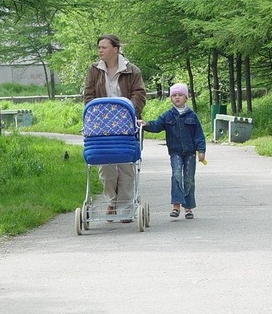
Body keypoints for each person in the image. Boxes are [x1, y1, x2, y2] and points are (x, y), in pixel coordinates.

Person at [83, 34, 146, 218]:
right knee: (105, 166)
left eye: (104, 47)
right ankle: (112, 200)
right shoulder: (94, 70)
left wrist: (129, 111)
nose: (100, 50)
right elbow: (88, 95)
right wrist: (97, 115)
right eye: (99, 47)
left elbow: (139, 94)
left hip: (125, 124)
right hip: (101, 126)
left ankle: (126, 208)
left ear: (115, 49)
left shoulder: (132, 71)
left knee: (126, 166)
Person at [138, 83, 206, 220]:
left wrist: (201, 150)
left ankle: (188, 208)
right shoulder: (167, 115)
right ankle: (176, 206)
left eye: (180, 95)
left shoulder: (192, 115)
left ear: (186, 97)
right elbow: (157, 125)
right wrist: (146, 124)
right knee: (176, 175)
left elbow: (199, 134)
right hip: (175, 152)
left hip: (190, 152)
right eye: (174, 95)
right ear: (171, 98)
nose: (177, 98)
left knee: (188, 179)